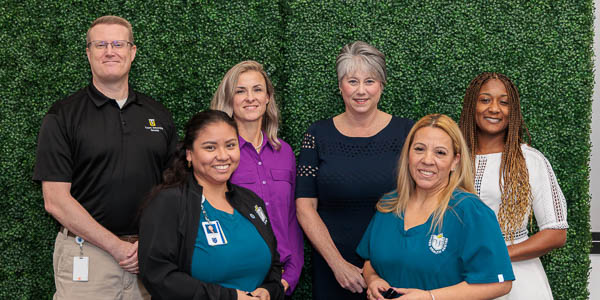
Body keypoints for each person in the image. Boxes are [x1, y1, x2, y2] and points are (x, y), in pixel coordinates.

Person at [32, 15, 177, 299]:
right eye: (100, 44)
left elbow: (174, 188)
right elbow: (55, 200)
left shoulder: (158, 114)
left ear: (132, 52)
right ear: (88, 53)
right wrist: (116, 246)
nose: (110, 51)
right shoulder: (62, 116)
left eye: (118, 44)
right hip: (88, 254)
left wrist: (150, 244)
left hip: (146, 257)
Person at [295, 41, 415, 300]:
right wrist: (337, 264)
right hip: (334, 270)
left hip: (394, 266)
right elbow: (305, 207)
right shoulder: (317, 134)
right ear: (340, 87)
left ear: (382, 85)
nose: (361, 91)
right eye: (352, 81)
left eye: (370, 81)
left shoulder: (407, 132)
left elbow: (422, 198)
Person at [357, 114, 514, 300]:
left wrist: (430, 297)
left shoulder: (469, 211)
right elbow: (370, 261)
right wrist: (373, 279)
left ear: (455, 161)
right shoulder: (388, 206)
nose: (427, 160)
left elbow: (500, 284)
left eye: (440, 152)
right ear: (408, 154)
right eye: (419, 149)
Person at [138, 110, 284, 300]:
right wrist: (229, 297)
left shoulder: (251, 202)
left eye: (230, 145)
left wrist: (269, 291)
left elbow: (274, 264)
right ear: (189, 154)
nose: (223, 156)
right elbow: (158, 275)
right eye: (210, 147)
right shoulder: (168, 203)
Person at [459, 72, 568, 299]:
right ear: (472, 105)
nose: (494, 108)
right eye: (485, 99)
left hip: (519, 278)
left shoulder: (530, 160)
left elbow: (556, 233)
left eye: (504, 102)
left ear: (513, 111)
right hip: (461, 273)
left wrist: (497, 254)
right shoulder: (452, 158)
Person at [210, 60, 304, 296]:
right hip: (236, 282)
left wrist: (289, 277)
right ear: (229, 99)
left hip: (281, 281)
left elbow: (291, 218)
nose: (250, 97)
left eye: (257, 89)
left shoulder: (285, 153)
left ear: (267, 98)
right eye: (240, 91)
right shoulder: (219, 155)